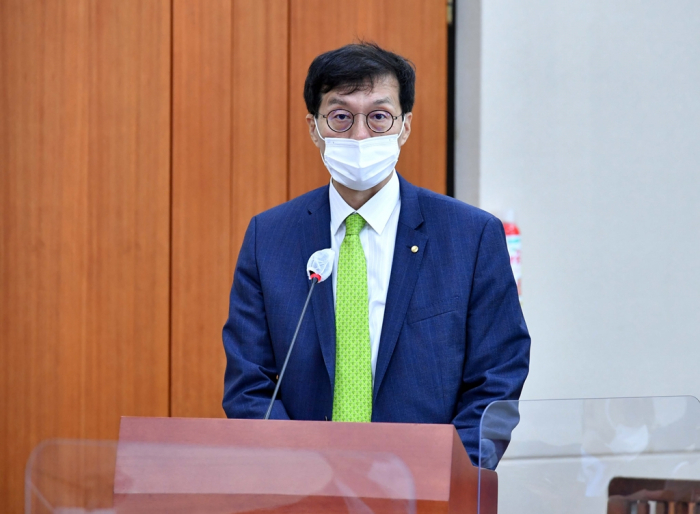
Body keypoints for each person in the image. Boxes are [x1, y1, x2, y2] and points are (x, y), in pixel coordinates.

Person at [222, 42, 530, 463]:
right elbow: (249, 384)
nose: (361, 134)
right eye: (341, 117)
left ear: (404, 126)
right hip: (303, 489)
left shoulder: (471, 237)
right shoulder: (269, 237)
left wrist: (454, 476)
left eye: (379, 117)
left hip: (428, 489)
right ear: (314, 128)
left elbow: (497, 376)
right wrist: (295, 472)